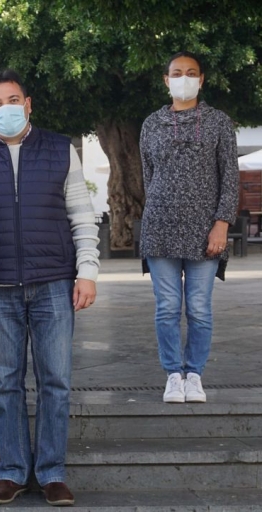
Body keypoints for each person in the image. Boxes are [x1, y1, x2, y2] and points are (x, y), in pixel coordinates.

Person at [0, 69, 99, 507]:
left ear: (28, 104)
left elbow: (82, 216)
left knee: (56, 380)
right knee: (5, 381)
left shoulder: (59, 149)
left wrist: (87, 270)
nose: (6, 109)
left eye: (13, 100)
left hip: (53, 282)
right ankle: (12, 472)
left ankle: (51, 473)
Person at [139, 51, 239, 404]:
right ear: (166, 80)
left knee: (198, 307)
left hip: (205, 231)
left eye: (191, 72)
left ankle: (193, 373)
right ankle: (172, 374)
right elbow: (148, 177)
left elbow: (230, 178)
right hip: (160, 229)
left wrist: (221, 224)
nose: (184, 78)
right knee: (166, 306)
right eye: (177, 73)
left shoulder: (218, 122)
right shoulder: (151, 124)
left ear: (201, 79)